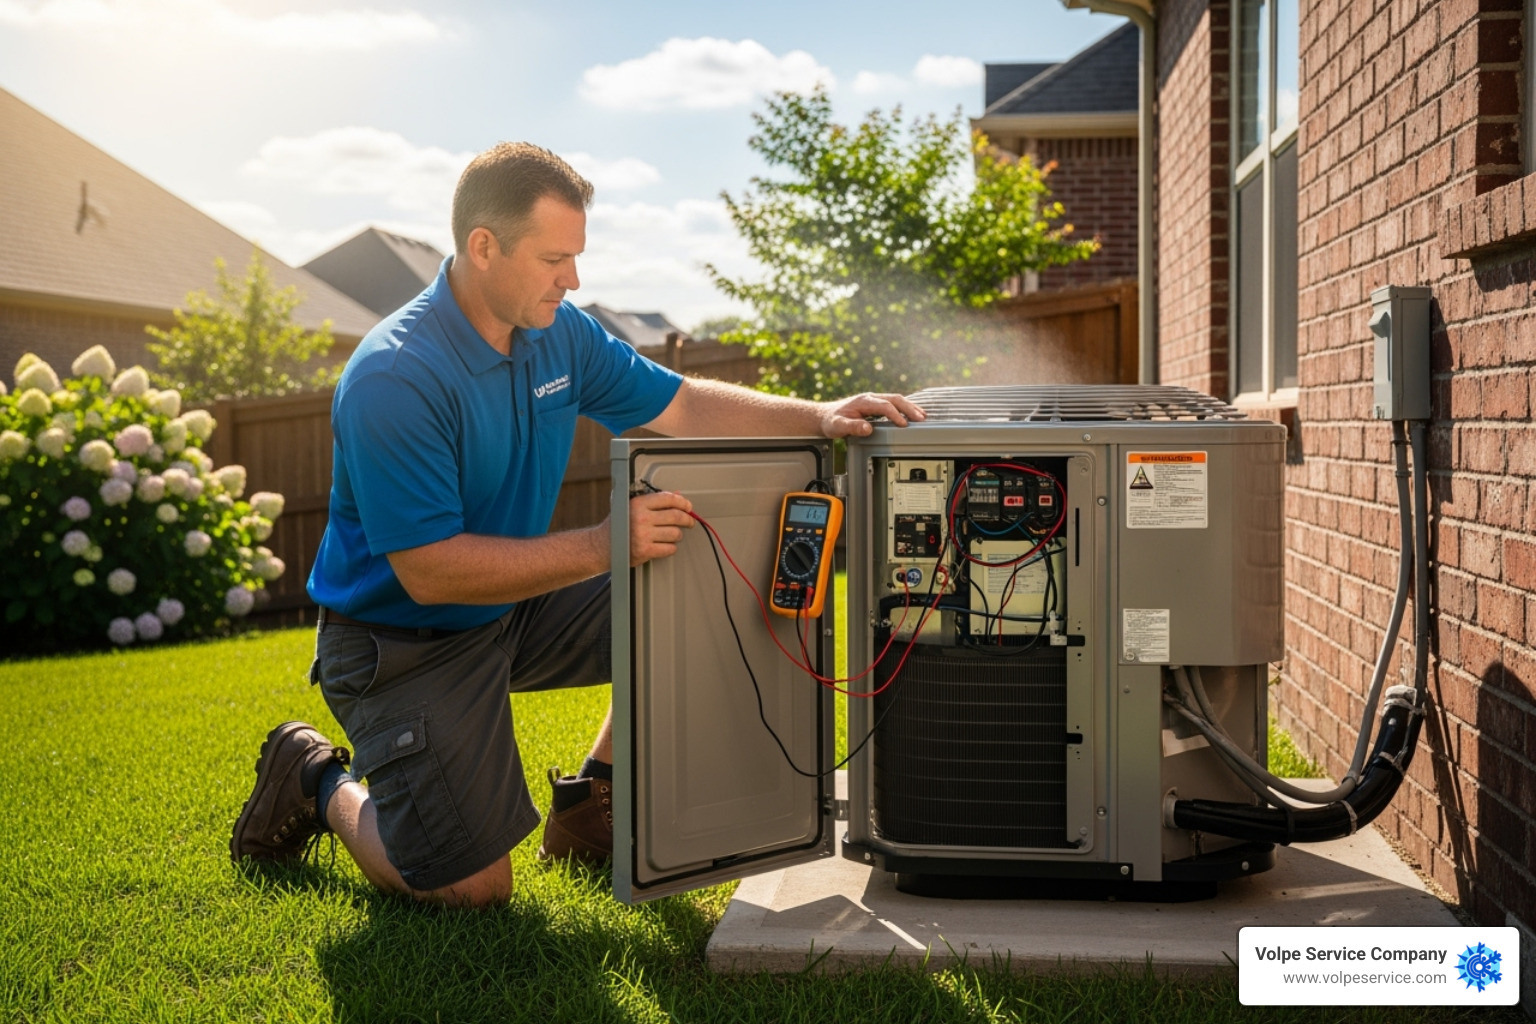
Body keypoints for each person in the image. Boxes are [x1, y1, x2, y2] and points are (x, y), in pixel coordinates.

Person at [229, 142, 925, 908]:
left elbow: (682, 403)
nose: (574, 279)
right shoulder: (396, 376)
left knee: (699, 581)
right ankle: (314, 777)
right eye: (555, 258)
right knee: (472, 891)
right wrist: (603, 544)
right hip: (401, 642)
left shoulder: (561, 335)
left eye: (577, 256)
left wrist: (819, 416)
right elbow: (427, 570)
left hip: (512, 610)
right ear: (483, 247)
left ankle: (592, 803)